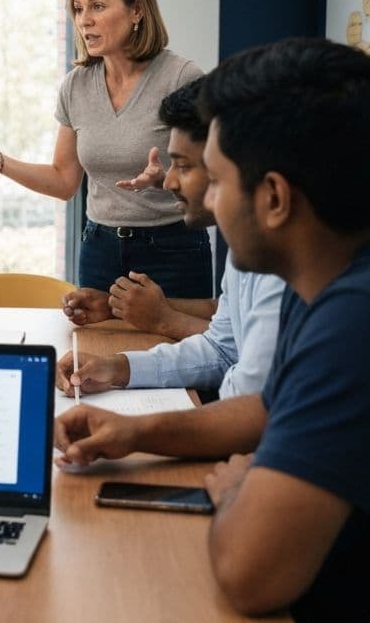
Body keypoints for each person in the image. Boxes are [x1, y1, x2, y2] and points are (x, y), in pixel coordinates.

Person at [54, 39, 370, 623]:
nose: (204, 201)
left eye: (215, 181)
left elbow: (250, 572)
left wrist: (242, 491)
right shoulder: (349, 280)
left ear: (274, 197)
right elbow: (268, 413)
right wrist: (135, 430)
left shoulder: (362, 319)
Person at [0, 0, 211, 296]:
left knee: (180, 347)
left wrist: (166, 182)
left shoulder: (181, 78)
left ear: (137, 10)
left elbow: (215, 181)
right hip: (100, 248)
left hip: (173, 248)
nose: (85, 21)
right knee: (92, 348)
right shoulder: (75, 86)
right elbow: (63, 181)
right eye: (78, 9)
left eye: (98, 6)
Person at [55, 77, 284, 400]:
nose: (168, 182)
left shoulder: (288, 273)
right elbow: (222, 347)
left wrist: (133, 432)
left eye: (183, 166)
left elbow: (252, 407)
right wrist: (117, 367)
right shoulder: (245, 248)